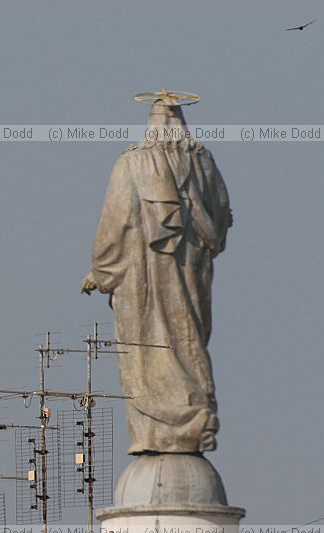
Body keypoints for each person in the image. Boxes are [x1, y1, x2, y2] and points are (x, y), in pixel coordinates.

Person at [81, 98, 233, 455]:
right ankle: (197, 415)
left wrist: (101, 272)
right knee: (188, 342)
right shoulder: (203, 162)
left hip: (142, 281)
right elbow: (222, 220)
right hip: (192, 274)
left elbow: (115, 222)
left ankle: (158, 429)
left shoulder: (132, 162)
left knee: (146, 350)